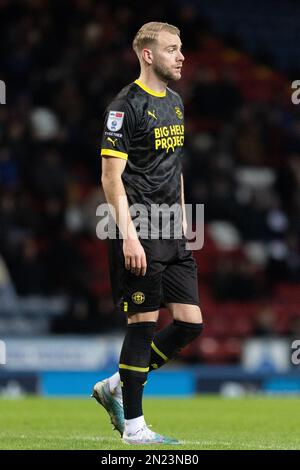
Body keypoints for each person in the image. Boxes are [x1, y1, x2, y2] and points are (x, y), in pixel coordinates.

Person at [93, 22, 203, 445]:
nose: (181, 56)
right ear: (148, 54)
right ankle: (135, 429)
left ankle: (115, 385)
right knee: (142, 324)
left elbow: (173, 167)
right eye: (172, 49)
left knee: (190, 324)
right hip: (137, 227)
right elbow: (109, 177)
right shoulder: (125, 106)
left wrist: (182, 219)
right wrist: (129, 237)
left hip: (172, 229)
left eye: (181, 48)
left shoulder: (175, 102)